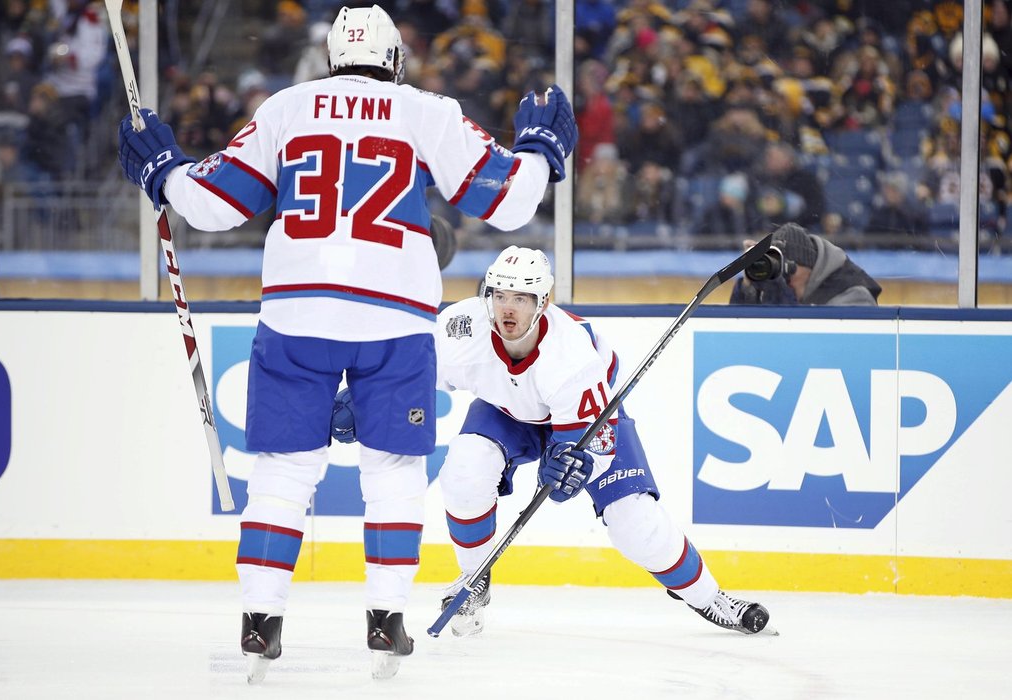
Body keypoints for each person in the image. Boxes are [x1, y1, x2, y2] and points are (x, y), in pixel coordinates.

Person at [115, 4, 577, 684]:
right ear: (393, 61)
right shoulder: (424, 110)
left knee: (281, 470)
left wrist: (164, 170)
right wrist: (540, 154)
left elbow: (213, 206)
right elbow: (508, 203)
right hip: (394, 320)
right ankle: (386, 618)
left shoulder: (287, 108)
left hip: (296, 313)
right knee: (392, 470)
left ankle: (260, 620)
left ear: (331, 59)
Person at [334, 246, 773, 638]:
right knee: (464, 470)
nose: (507, 308)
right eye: (500, 295)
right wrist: (369, 397)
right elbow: (412, 369)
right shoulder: (462, 328)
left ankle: (709, 596)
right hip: (508, 412)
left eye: (521, 298)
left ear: (542, 302)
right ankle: (474, 581)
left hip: (584, 421)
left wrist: (571, 469)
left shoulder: (572, 359)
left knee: (635, 523)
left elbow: (592, 452)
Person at [729, 223, 882, 305]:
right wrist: (749, 288)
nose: (785, 279)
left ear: (810, 266)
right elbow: (739, 337)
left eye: (789, 269)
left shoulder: (852, 295)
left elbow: (808, 346)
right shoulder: (777, 289)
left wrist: (783, 297)